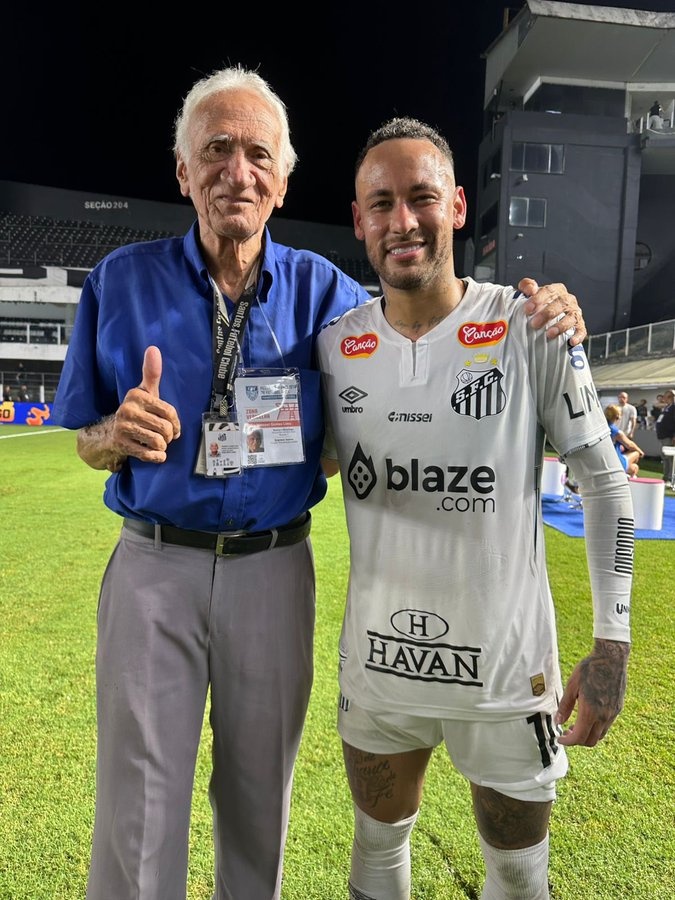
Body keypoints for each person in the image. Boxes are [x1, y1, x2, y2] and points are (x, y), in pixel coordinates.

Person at [49, 67, 586, 900]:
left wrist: (545, 309)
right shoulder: (120, 280)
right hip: (155, 565)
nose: (237, 171)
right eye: (215, 150)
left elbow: (412, 352)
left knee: (258, 791)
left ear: (282, 180)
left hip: (272, 569)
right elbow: (83, 437)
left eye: (258, 154)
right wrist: (111, 435)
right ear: (183, 171)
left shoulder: (327, 296)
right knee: (139, 804)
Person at [316, 117, 633, 900]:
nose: (402, 221)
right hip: (379, 672)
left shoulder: (531, 326)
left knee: (518, 876)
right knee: (375, 855)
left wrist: (611, 644)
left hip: (504, 682)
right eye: (380, 203)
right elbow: (302, 462)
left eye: (420, 197)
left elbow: (603, 480)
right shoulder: (333, 348)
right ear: (358, 220)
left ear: (456, 205)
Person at [604, 404, 644, 477]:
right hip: (615, 462)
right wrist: (641, 452)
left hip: (604, 459)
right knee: (636, 453)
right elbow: (630, 445)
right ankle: (626, 473)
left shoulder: (602, 427)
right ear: (618, 416)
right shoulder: (616, 432)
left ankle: (627, 472)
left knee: (634, 467)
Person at [655, 388, 675, 487]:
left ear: (670, 397)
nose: (663, 399)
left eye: (665, 397)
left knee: (670, 458)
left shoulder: (673, 407)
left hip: (669, 436)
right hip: (663, 436)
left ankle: (671, 478)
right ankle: (666, 476)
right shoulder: (667, 407)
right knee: (665, 458)